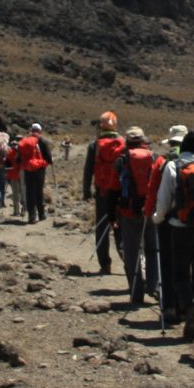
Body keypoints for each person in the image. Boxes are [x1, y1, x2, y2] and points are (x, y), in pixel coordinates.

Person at [153, 129, 194, 339]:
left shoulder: (173, 166)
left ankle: (189, 309)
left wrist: (157, 218)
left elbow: (163, 200)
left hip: (179, 228)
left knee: (180, 274)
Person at [114, 126, 163, 311]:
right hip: (150, 211)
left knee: (132, 252)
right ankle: (153, 286)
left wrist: (112, 214)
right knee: (153, 249)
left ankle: (136, 293)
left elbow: (113, 188)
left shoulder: (122, 160)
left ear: (127, 141)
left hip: (128, 212)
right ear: (144, 140)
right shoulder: (155, 157)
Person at [82, 111, 126, 275]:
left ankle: (105, 264)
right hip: (120, 193)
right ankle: (128, 260)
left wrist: (86, 191)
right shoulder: (123, 144)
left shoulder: (95, 145)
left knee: (102, 227)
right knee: (120, 228)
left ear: (101, 126)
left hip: (102, 192)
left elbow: (88, 170)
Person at [17, 123, 52, 224]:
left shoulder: (26, 141)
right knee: (39, 191)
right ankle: (41, 214)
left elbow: (19, 158)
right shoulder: (43, 141)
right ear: (40, 131)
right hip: (40, 169)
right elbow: (48, 157)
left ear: (31, 130)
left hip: (28, 170)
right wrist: (48, 162)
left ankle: (31, 216)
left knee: (30, 192)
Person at [5, 126, 26, 219]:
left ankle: (16, 211)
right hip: (23, 175)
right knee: (23, 194)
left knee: (15, 194)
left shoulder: (10, 153)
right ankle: (24, 210)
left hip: (13, 175)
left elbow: (6, 165)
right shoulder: (25, 151)